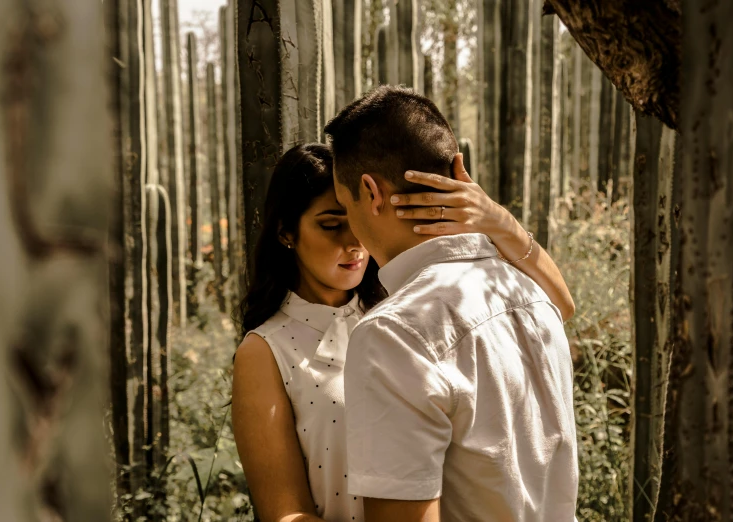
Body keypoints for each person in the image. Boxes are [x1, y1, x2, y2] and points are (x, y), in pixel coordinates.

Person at [232, 140, 575, 522]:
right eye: (330, 224)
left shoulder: (407, 312)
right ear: (285, 233)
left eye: (354, 220)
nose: (353, 243)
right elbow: (285, 512)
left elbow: (556, 306)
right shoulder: (266, 350)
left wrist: (495, 219)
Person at [326, 85, 578, 522]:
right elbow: (566, 304)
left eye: (345, 205)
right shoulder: (531, 294)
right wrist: (503, 223)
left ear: (371, 192)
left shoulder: (393, 335)